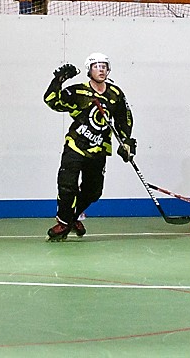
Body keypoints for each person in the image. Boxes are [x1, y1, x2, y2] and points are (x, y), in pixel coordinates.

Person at [43, 52, 134, 241]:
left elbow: (124, 119)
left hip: (99, 150)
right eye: (96, 66)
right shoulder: (78, 91)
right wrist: (57, 81)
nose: (101, 70)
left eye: (104, 66)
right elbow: (52, 101)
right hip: (75, 146)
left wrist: (125, 142)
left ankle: (73, 217)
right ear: (89, 70)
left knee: (93, 191)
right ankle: (63, 223)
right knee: (67, 186)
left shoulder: (115, 94)